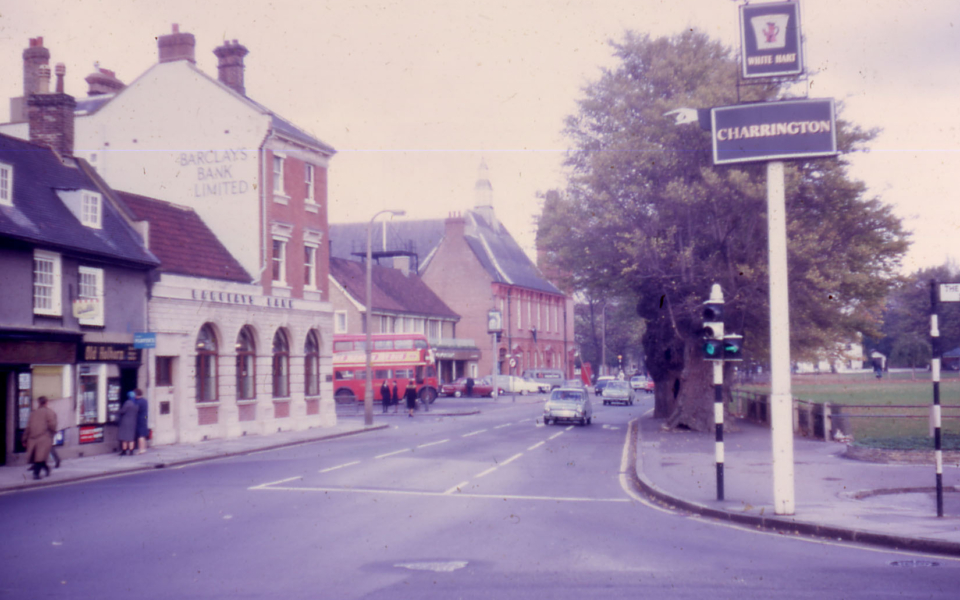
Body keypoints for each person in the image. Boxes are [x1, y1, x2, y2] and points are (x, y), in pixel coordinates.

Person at [22, 396, 57, 480]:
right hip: (44, 437)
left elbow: (28, 427)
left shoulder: (33, 413)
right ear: (46, 402)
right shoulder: (50, 412)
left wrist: (24, 438)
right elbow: (52, 426)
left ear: (39, 403)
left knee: (39, 456)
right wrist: (52, 433)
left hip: (33, 438)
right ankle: (36, 474)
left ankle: (44, 470)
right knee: (40, 457)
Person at [118, 391, 138, 456]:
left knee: (124, 437)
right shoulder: (136, 404)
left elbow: (122, 411)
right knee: (131, 437)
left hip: (125, 422)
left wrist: (118, 411)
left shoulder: (127, 403)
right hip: (133, 422)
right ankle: (131, 451)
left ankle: (124, 451)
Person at [134, 388, 149, 455]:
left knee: (140, 435)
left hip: (139, 418)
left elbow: (135, 410)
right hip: (145, 417)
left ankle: (141, 449)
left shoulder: (138, 402)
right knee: (143, 433)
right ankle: (144, 448)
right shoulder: (145, 400)